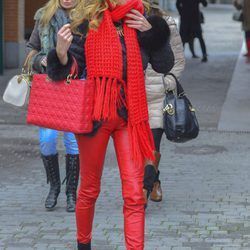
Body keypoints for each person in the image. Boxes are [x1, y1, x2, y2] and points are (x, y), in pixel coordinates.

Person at [46, 0, 174, 249]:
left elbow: (164, 64)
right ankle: (84, 244)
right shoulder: (87, 20)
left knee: (135, 195)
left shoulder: (144, 17)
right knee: (89, 189)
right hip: (95, 115)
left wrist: (150, 33)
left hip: (130, 117)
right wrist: (61, 55)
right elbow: (73, 68)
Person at [26, 0, 80, 213]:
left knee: (73, 141)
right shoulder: (44, 16)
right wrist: (42, 61)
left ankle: (71, 193)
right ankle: (54, 187)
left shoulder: (87, 17)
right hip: (49, 87)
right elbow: (31, 49)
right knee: (47, 140)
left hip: (75, 86)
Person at [143, 0, 185, 207]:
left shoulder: (166, 23)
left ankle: (144, 190)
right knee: (139, 147)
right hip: (133, 96)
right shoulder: (126, 24)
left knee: (152, 144)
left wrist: (166, 82)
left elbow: (178, 60)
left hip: (158, 96)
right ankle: (155, 179)